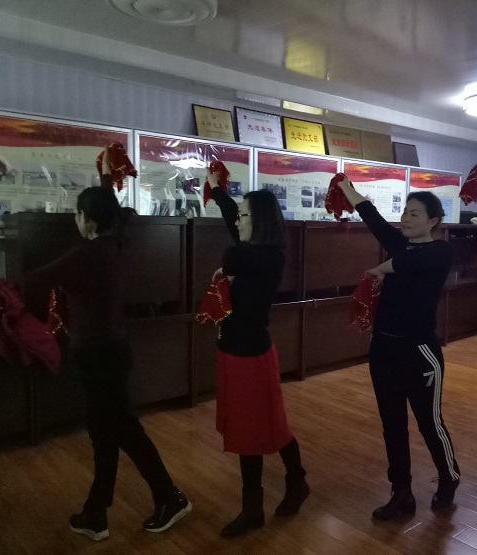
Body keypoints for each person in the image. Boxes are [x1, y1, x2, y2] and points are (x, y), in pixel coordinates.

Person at [25, 149, 191, 542]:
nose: (75, 220)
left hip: (99, 357)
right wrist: (103, 179)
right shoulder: (116, 242)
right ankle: (96, 513)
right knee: (103, 435)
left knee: (123, 430)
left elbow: (35, 279)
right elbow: (112, 214)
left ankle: (170, 497)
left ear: (86, 219)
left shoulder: (86, 254)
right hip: (110, 352)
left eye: (77, 214)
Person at [336, 178, 461, 517]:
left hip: (419, 352)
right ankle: (401, 492)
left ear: (433, 221)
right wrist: (347, 189)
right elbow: (373, 218)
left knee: (429, 421)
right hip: (384, 350)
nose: (406, 217)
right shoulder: (400, 244)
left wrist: (381, 267)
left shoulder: (440, 250)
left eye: (414, 213)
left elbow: (409, 263)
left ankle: (448, 477)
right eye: (405, 211)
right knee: (392, 424)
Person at [207, 168, 309, 538]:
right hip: (231, 351)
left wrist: (227, 269)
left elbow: (232, 255)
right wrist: (218, 191)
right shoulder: (252, 252)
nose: (237, 221)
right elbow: (232, 227)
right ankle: (255, 505)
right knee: (243, 430)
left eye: (244, 215)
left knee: (270, 427)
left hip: (253, 357)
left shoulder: (268, 257)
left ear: (260, 220)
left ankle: (294, 482)